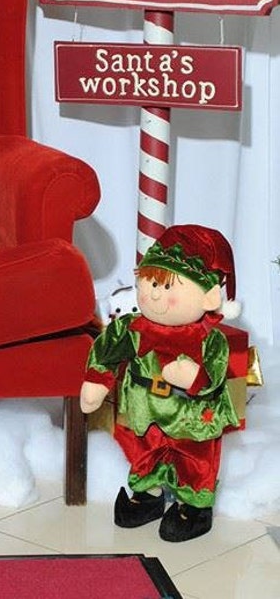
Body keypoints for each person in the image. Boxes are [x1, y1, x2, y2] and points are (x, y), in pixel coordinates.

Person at [79, 224, 241, 542]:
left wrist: (193, 378)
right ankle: (149, 494)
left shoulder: (210, 339)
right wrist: (96, 381)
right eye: (151, 281)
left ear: (208, 297)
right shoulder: (133, 327)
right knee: (144, 451)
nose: (154, 293)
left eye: (168, 287)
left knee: (193, 459)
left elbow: (216, 374)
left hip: (191, 418)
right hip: (144, 411)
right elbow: (106, 350)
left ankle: (193, 506)